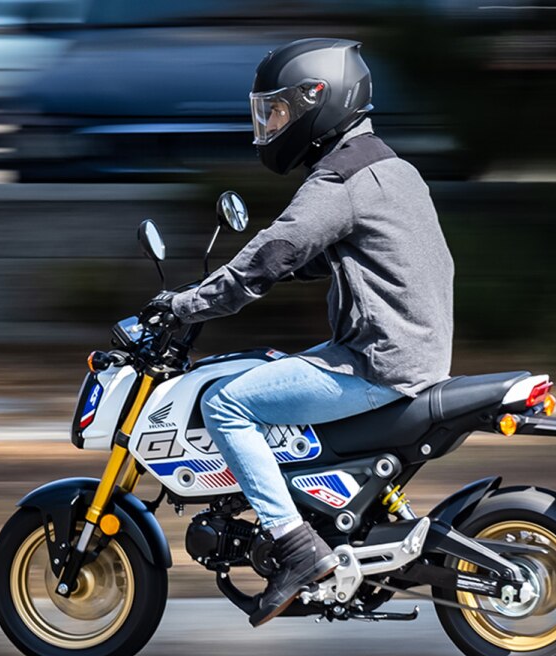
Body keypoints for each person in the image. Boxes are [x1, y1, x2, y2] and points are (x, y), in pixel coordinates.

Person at [146, 38, 454, 626]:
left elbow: (273, 252)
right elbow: (341, 255)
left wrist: (186, 305)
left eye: (278, 111)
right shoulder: (391, 167)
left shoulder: (338, 180)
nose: (270, 125)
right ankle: (327, 522)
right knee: (268, 371)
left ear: (320, 100)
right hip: (409, 350)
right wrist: (272, 272)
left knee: (228, 402)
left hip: (378, 361)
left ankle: (293, 546)